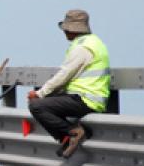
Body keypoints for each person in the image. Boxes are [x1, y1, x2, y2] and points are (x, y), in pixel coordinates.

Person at [27, 9, 111, 158]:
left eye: (66, 29)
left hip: (85, 100)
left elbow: (64, 74)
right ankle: (67, 139)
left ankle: (73, 133)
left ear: (73, 29)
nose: (64, 32)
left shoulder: (82, 48)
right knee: (46, 102)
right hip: (90, 97)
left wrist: (39, 93)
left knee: (36, 106)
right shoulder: (94, 42)